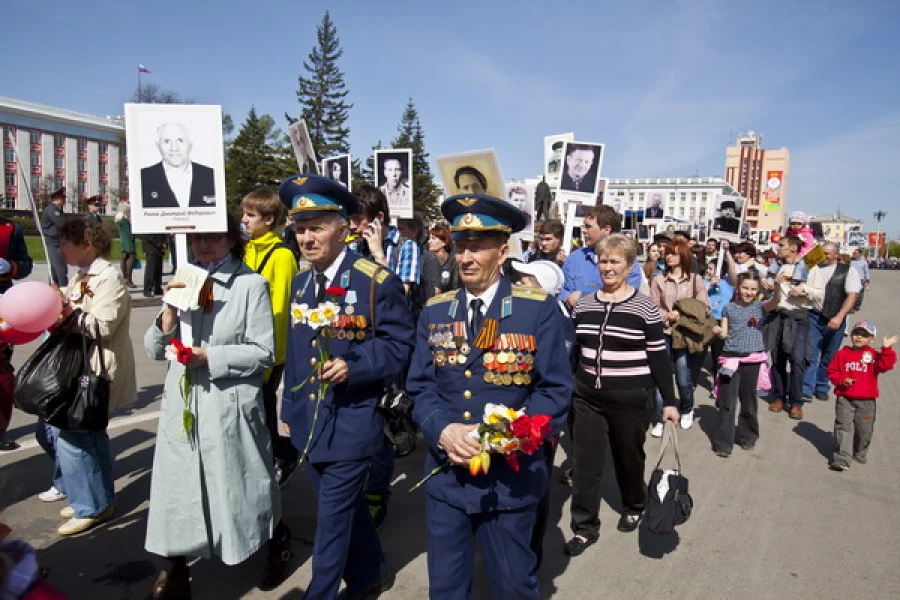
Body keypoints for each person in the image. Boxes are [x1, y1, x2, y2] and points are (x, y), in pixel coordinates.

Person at [407, 193, 571, 598]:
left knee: (513, 587)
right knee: (445, 588)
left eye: (477, 247)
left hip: (508, 481)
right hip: (447, 475)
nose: (465, 257)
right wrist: (442, 430)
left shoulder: (537, 310)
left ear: (502, 251)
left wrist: (500, 434)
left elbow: (554, 392)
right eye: (461, 246)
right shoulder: (435, 311)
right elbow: (419, 386)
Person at [280, 174, 413, 599]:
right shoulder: (301, 283)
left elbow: (400, 345)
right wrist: (289, 410)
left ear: (343, 227)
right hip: (310, 423)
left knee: (332, 519)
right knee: (349, 509)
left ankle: (319, 593)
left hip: (354, 420)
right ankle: (370, 572)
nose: (306, 237)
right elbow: (296, 352)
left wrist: (354, 366)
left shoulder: (374, 280)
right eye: (300, 228)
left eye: (316, 226)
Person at [144, 213, 286, 596]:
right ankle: (174, 568)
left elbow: (263, 353)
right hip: (184, 402)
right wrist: (168, 314)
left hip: (228, 403)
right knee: (180, 487)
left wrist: (211, 357)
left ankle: (277, 542)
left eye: (213, 237)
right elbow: (154, 349)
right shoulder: (183, 278)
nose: (204, 245)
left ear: (231, 239)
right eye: (197, 238)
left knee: (243, 485)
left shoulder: (250, 285)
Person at [566, 234, 678, 555]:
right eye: (603, 260)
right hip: (587, 397)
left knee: (628, 457)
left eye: (615, 261)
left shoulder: (644, 307)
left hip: (630, 398)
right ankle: (585, 526)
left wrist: (669, 401)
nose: (608, 267)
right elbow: (577, 351)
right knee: (586, 462)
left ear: (629, 266)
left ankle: (634, 503)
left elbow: (659, 356)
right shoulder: (585, 304)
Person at [54, 217, 136, 536]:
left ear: (87, 244)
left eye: (65, 243)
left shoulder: (109, 277)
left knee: (75, 437)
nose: (60, 249)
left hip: (97, 371)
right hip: (81, 367)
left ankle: (91, 506)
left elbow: (101, 327)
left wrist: (67, 312)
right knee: (90, 436)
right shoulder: (83, 274)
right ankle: (98, 500)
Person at [348, 185, 422, 527]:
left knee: (382, 426)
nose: (352, 226)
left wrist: (378, 254)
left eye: (358, 220)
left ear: (377, 219)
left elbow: (399, 298)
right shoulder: (353, 246)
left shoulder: (405, 248)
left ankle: (377, 491)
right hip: (355, 343)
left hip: (389, 349)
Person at [240, 188, 300, 487]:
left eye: (250, 215)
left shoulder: (282, 255)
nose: (244, 220)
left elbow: (279, 310)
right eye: (244, 214)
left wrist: (268, 356)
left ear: (269, 218)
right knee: (250, 415)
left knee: (262, 415)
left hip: (267, 351)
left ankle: (282, 456)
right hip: (242, 346)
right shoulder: (246, 249)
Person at [711, 271, 780, 457]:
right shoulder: (729, 308)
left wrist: (778, 287)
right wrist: (718, 331)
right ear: (738, 288)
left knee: (749, 401)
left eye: (753, 289)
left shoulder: (760, 307)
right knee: (727, 402)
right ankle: (723, 443)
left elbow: (774, 302)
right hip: (730, 358)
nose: (748, 292)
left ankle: (747, 437)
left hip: (753, 359)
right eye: (745, 288)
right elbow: (725, 334)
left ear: (758, 291)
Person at [649, 240, 710, 435]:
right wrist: (666, 315)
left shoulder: (694, 280)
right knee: (661, 376)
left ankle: (686, 408)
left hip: (684, 334)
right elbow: (652, 305)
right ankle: (659, 417)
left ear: (683, 256)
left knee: (684, 378)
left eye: (674, 253)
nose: (669, 257)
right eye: (667, 253)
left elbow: (703, 307)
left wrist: (681, 314)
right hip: (664, 332)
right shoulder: (659, 280)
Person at [826, 320, 897, 471]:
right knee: (843, 426)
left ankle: (860, 451)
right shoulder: (842, 354)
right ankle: (843, 458)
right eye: (856, 333)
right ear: (851, 335)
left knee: (864, 429)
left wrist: (886, 348)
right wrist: (842, 380)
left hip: (867, 401)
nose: (859, 337)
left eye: (864, 335)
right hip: (845, 398)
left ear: (872, 339)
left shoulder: (872, 355)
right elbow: (832, 371)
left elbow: (886, 365)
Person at [802, 242, 861, 402]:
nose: (824, 256)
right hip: (814, 316)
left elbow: (852, 296)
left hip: (835, 317)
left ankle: (821, 385)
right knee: (811, 352)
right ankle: (806, 388)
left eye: (828, 253)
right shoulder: (812, 268)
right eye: (823, 252)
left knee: (829, 354)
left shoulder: (848, 271)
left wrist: (840, 317)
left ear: (836, 255)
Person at [561, 205, 644, 311]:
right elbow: (564, 291)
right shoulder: (575, 258)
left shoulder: (628, 262)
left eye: (588, 226)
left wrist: (583, 298)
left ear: (606, 229)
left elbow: (627, 298)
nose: (583, 230)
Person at [765, 235, 813, 419]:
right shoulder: (778, 267)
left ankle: (796, 401)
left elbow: (819, 293)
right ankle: (779, 396)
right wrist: (768, 286)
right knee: (777, 358)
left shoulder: (808, 267)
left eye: (781, 245)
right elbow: (772, 291)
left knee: (797, 360)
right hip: (778, 315)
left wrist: (805, 290)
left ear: (793, 248)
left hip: (798, 317)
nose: (778, 248)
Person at [0, 215, 34, 451]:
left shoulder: (11, 228)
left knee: (2, 374)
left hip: (2, 305)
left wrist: (10, 267)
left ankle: (0, 429)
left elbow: (26, 263)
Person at [140, 122, 215, 209]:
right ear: (158, 146)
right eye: (167, 141)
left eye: (180, 140)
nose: (174, 148)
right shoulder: (143, 178)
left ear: (190, 144)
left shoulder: (211, 175)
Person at [41, 187, 68, 287]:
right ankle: (63, 287)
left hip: (57, 241)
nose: (64, 200)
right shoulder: (53, 210)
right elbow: (62, 223)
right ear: (56, 199)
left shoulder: (58, 210)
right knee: (61, 267)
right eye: (62, 198)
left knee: (55, 267)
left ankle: (54, 287)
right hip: (54, 242)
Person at [428, 224, 459, 294]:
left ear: (444, 242)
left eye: (433, 238)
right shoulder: (428, 261)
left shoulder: (453, 263)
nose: (429, 241)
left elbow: (455, 288)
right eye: (429, 238)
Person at [113, 202, 137, 289]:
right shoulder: (123, 219)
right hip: (128, 240)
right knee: (131, 258)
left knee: (124, 258)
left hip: (123, 240)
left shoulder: (118, 218)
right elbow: (129, 231)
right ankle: (128, 278)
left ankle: (125, 277)